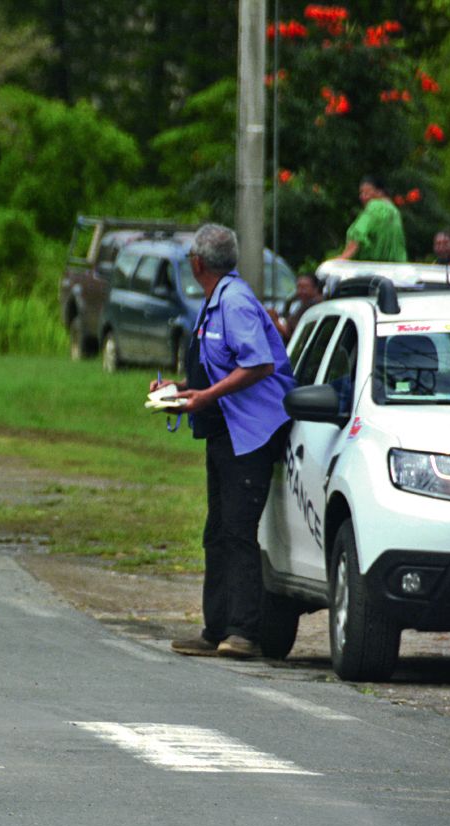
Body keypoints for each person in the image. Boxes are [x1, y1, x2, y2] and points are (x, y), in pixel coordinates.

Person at [156, 224, 295, 660]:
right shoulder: (215, 302)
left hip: (251, 433)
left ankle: (243, 632)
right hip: (223, 431)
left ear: (197, 264)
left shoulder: (233, 302)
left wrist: (204, 397)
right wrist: (181, 389)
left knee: (237, 532)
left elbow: (258, 365)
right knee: (216, 531)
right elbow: (219, 370)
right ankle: (215, 627)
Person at [336, 175, 407, 262]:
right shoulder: (395, 212)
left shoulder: (375, 206)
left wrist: (343, 258)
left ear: (380, 192)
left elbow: (358, 233)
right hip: (394, 269)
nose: (362, 197)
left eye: (366, 193)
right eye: (361, 193)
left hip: (373, 269)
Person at [275, 272, 323, 341]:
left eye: (304, 287)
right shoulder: (302, 304)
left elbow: (294, 334)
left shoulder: (313, 305)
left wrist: (275, 321)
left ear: (315, 288)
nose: (300, 291)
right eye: (299, 287)